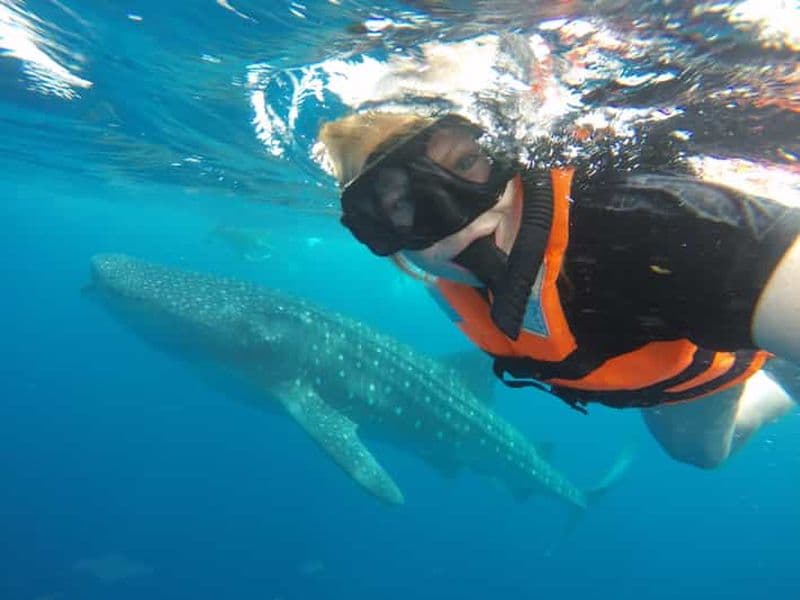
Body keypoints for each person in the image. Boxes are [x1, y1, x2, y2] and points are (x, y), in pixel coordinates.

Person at [316, 111, 799, 465]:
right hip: (659, 383)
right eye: (401, 207)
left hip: (732, 337)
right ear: (385, 239)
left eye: (466, 161)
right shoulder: (447, 290)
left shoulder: (656, 225)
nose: (460, 221)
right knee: (694, 453)